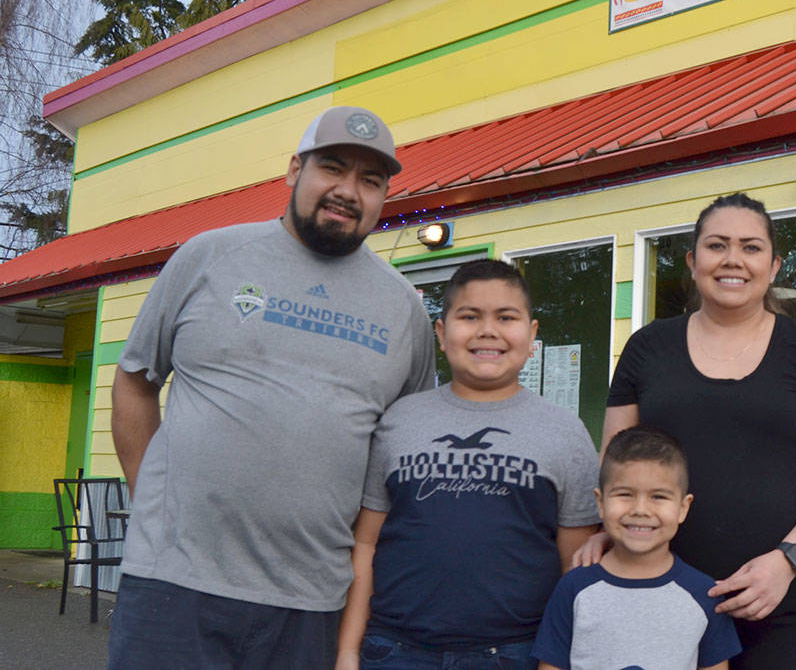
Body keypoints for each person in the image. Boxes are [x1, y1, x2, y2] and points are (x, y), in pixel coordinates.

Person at [108, 106, 436, 669]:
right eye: (332, 168)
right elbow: (135, 381)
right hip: (174, 584)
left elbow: (403, 451)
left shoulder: (403, 307)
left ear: (384, 197)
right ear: (293, 170)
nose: (348, 191)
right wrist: (151, 504)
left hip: (312, 601)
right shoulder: (209, 256)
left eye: (370, 180)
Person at [590, 192, 796, 669]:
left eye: (751, 247)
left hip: (788, 608)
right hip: (660, 601)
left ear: (773, 267)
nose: (733, 259)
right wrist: (604, 531)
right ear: (693, 262)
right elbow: (616, 462)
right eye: (717, 245)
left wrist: (787, 561)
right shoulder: (647, 348)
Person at [337, 259, 600, 670]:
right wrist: (348, 651)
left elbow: (574, 566)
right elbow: (367, 544)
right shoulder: (399, 421)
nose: (487, 330)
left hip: (515, 652)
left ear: (532, 334)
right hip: (395, 650)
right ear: (442, 334)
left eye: (506, 317)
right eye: (470, 316)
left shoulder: (565, 433)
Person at [533, 425, 741, 670]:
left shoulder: (704, 594)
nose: (640, 510)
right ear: (600, 503)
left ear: (683, 508)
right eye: (625, 494)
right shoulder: (574, 588)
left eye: (658, 497)